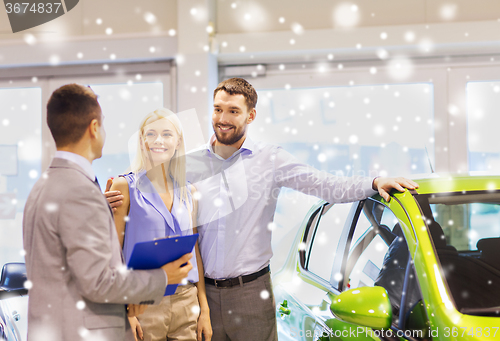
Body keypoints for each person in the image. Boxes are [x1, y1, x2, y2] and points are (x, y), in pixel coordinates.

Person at [107, 78, 418, 341]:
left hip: (251, 294)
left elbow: (325, 185)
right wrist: (108, 199)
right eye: (217, 109)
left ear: (250, 116)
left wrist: (374, 181)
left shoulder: (271, 159)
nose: (222, 118)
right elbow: (150, 189)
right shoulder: (188, 163)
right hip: (200, 297)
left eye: (233, 111)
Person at [23, 84, 193, 341]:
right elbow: (98, 282)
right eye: (102, 125)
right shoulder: (80, 192)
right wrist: (162, 278)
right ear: (93, 128)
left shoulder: (46, 185)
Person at [109, 108, 212, 341]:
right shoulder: (123, 187)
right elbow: (113, 253)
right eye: (151, 134)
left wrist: (203, 309)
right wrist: (126, 310)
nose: (158, 140)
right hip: (143, 303)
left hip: (187, 301)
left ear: (178, 141)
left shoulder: (189, 191)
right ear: (142, 141)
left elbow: (194, 252)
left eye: (167, 134)